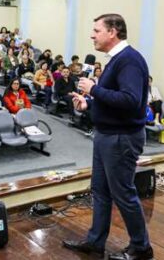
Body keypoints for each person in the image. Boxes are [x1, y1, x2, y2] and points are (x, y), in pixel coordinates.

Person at [65, 14, 153, 260]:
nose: (92, 35)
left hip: (121, 138)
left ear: (113, 32)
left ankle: (141, 248)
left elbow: (131, 100)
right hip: (107, 134)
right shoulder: (117, 60)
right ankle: (95, 242)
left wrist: (93, 89)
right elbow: (112, 98)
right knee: (101, 191)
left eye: (96, 30)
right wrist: (89, 104)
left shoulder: (129, 61)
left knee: (123, 193)